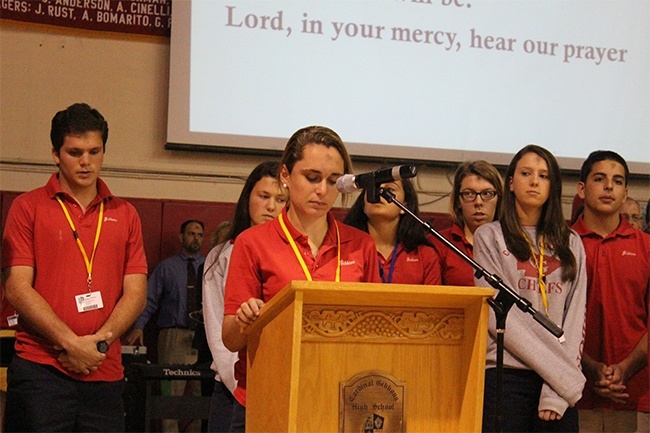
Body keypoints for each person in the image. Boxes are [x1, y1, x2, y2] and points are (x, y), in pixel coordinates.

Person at [222, 126, 381, 432]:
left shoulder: (361, 245)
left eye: (334, 181)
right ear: (286, 175)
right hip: (268, 399)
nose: (323, 190)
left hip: (339, 402)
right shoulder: (252, 242)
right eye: (312, 177)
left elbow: (374, 331)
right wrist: (246, 320)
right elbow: (230, 339)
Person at [1, 102, 148, 431]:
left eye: (95, 151)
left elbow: (136, 293)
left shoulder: (125, 214)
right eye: (75, 152)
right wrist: (70, 343)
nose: (86, 162)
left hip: (104, 371)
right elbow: (17, 288)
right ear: (55, 154)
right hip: (42, 371)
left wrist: (97, 345)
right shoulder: (27, 207)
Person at [473, 144, 587, 432]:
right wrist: (560, 374)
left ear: (553, 186)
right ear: (511, 183)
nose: (535, 181)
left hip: (558, 383)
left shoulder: (571, 242)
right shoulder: (490, 236)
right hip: (508, 376)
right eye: (526, 173)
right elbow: (501, 316)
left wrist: (556, 388)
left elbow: (574, 319)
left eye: (544, 176)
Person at [202, 161, 287, 432]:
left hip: (281, 384)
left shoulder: (292, 255)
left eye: (281, 199)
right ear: (248, 197)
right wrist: (241, 387)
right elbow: (218, 330)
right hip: (235, 389)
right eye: (264, 196)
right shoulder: (220, 256)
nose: (272, 207)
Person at [572, 150, 649, 433]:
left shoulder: (646, 246)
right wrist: (591, 368)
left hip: (635, 394)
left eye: (617, 181)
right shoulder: (562, 245)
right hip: (573, 392)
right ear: (581, 188)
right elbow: (550, 320)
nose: (608, 187)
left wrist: (626, 368)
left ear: (625, 192)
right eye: (600, 179)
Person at [125, 219, 206, 432]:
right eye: (191, 234)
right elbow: (149, 300)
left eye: (199, 235)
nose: (195, 238)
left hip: (201, 338)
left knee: (199, 397)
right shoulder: (167, 268)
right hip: (173, 335)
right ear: (181, 237)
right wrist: (139, 326)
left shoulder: (209, 267)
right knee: (170, 394)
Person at [343, 176, 442, 284]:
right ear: (363, 204)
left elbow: (432, 300)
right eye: (373, 188)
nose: (379, 193)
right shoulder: (345, 249)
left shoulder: (424, 255)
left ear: (405, 206)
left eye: (389, 189)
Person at [433, 160, 503, 286]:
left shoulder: (513, 243)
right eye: (469, 194)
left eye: (487, 193)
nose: (478, 202)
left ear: (499, 198)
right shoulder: (440, 243)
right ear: (458, 201)